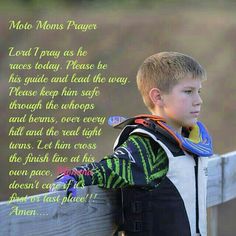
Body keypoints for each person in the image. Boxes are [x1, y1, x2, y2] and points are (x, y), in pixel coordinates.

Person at [51, 52, 213, 236]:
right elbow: (107, 169)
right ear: (158, 97)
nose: (199, 100)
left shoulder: (190, 143)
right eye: (188, 91)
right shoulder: (149, 146)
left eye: (198, 91)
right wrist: (72, 176)